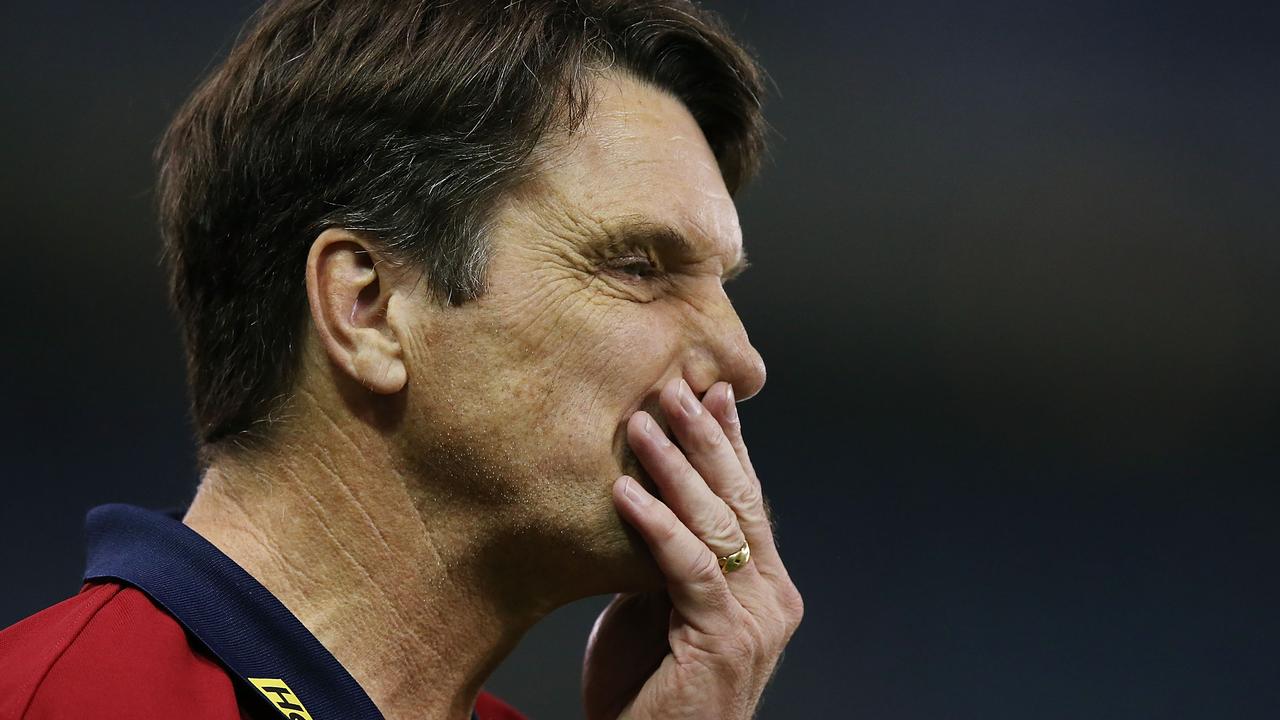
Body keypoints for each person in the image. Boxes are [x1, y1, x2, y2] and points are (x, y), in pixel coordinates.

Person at [0, 1, 803, 718]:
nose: (741, 360)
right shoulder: (67, 698)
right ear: (369, 309)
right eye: (639, 266)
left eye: (721, 286)